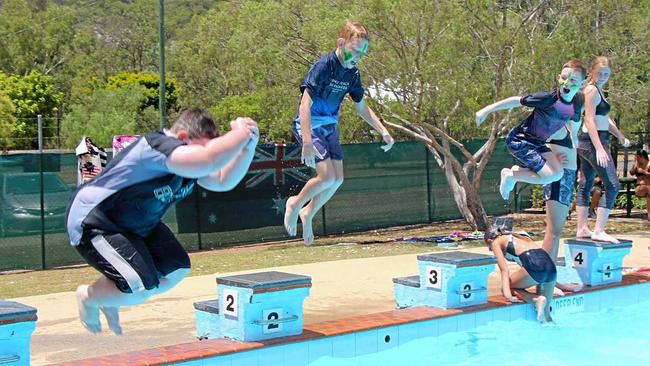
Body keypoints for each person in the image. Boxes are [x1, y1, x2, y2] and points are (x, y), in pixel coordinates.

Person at [66, 109, 259, 335]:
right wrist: (241, 133)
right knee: (139, 288)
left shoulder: (188, 163)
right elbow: (207, 160)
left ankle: (110, 297)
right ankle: (89, 298)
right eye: (203, 146)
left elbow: (222, 180)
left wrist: (248, 147)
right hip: (96, 221)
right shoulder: (154, 146)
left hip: (138, 225)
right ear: (182, 137)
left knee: (176, 269)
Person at [284, 21, 394, 245]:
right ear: (341, 43)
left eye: (363, 52)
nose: (358, 56)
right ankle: (294, 203)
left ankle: (308, 213)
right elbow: (304, 104)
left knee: (337, 179)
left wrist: (383, 130)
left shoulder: (353, 75)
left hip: (330, 126)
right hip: (309, 125)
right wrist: (306, 142)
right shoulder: (324, 66)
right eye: (355, 50)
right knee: (326, 176)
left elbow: (361, 107)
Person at [476, 59, 586, 200]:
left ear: (582, 84)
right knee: (547, 177)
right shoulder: (548, 99)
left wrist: (574, 137)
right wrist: (486, 110)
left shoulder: (575, 106)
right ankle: (511, 176)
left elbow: (576, 121)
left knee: (558, 174)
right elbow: (516, 100)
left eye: (573, 80)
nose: (567, 83)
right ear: (558, 77)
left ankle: (516, 173)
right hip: (520, 140)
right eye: (564, 78)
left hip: (538, 143)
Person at [575, 56, 630, 243]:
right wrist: (599, 148)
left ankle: (582, 228)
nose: (603, 77)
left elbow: (605, 119)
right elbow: (589, 119)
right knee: (613, 186)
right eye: (599, 73)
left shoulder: (599, 90)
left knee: (586, 183)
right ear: (592, 71)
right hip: (592, 142)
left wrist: (620, 136)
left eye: (606, 74)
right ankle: (598, 230)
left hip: (590, 141)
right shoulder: (591, 90)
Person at [484, 223, 556, 322]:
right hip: (552, 269)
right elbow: (541, 261)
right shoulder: (520, 236)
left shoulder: (496, 242)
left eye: (489, 247)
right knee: (546, 312)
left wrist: (508, 295)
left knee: (508, 286)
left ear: (489, 240)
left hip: (535, 266)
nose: (490, 249)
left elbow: (504, 270)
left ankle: (535, 299)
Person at [630, 149, 650, 221]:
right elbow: (631, 173)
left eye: (637, 157)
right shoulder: (636, 164)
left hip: (648, 186)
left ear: (642, 157)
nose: (636, 158)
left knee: (649, 194)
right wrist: (635, 164)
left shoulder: (649, 164)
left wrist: (644, 172)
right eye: (636, 156)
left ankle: (649, 215)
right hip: (640, 187)